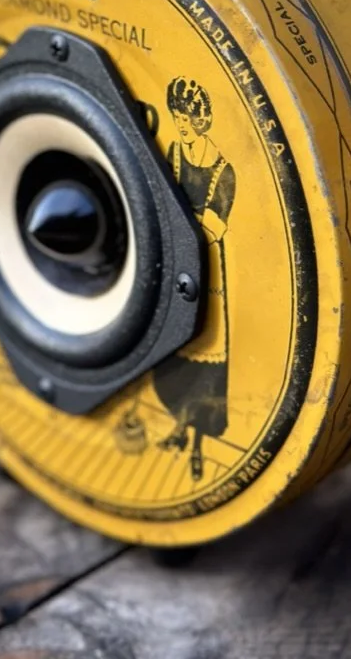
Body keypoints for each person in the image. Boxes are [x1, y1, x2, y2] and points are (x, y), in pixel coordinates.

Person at [153, 76, 236, 481]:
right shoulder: (174, 151)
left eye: (186, 118)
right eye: (176, 117)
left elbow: (217, 227)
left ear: (200, 119)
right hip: (176, 258)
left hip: (212, 273)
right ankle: (179, 428)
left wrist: (182, 216)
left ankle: (199, 448)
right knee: (178, 355)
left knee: (206, 363)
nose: (180, 125)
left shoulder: (224, 170)